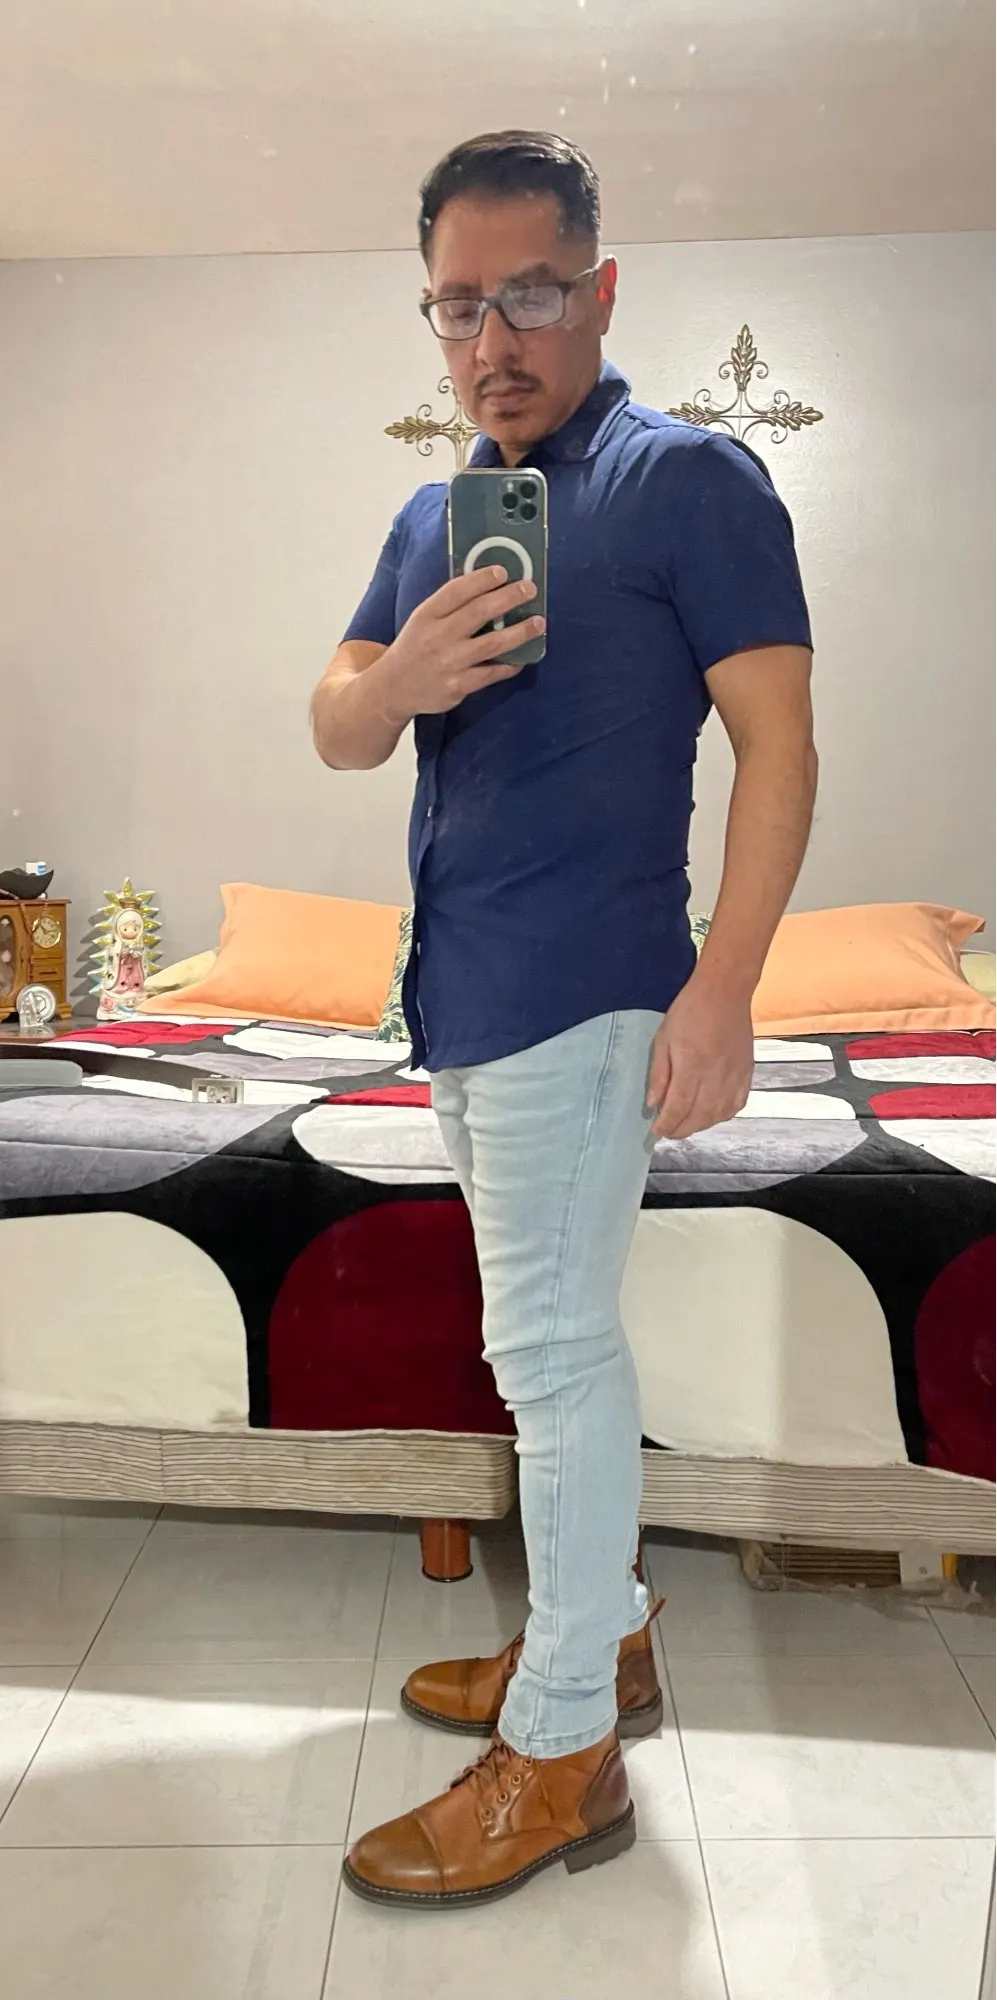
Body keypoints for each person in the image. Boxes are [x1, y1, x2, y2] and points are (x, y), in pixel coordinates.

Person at [311, 130, 817, 1910]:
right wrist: (400, 676)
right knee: (551, 1340)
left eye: (528, 294)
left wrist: (725, 987)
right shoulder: (437, 513)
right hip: (460, 992)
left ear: (600, 290)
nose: (492, 339)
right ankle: (610, 1636)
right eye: (457, 306)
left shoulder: (691, 481)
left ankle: (561, 1752)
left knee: (550, 1357)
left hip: (587, 993)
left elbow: (778, 748)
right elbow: (335, 720)